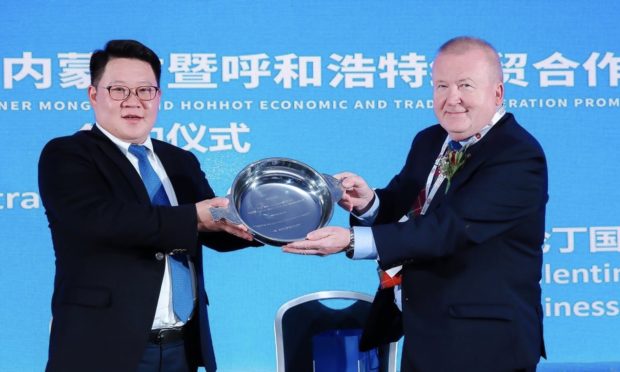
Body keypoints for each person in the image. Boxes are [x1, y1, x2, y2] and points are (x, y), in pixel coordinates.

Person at [284, 36, 548, 372]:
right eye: (441, 86)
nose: (452, 99)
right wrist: (368, 204)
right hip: (426, 332)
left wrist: (351, 242)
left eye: (465, 85)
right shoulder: (430, 139)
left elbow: (448, 230)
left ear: (497, 93)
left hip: (485, 343)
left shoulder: (517, 155)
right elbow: (403, 207)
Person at [38, 39, 258, 372]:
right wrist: (194, 216)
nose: (133, 102)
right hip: (102, 347)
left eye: (145, 91)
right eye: (118, 90)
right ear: (93, 95)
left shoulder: (179, 161)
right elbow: (103, 221)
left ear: (158, 97)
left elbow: (217, 231)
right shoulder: (67, 154)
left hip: (181, 346)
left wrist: (268, 220)